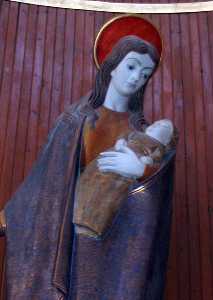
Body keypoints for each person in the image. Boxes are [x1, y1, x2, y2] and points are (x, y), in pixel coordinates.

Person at [1, 15, 177, 300]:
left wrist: (140, 173)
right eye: (131, 66)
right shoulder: (74, 122)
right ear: (111, 66)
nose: (136, 78)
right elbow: (43, 185)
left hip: (121, 254)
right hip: (77, 243)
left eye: (145, 74)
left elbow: (156, 204)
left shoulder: (144, 134)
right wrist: (9, 218)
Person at [74, 119, 174, 238]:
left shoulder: (158, 147)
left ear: (167, 140)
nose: (156, 125)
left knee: (112, 194)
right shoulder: (135, 134)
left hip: (124, 176)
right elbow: (124, 135)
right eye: (156, 123)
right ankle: (79, 215)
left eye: (163, 126)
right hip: (107, 161)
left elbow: (155, 161)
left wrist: (144, 166)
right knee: (91, 183)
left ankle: (94, 225)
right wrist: (120, 142)